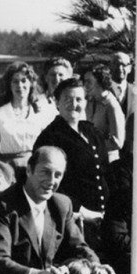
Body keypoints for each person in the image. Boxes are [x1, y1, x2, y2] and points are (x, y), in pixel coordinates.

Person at [0, 146, 107, 274]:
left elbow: (79, 247)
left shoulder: (62, 205)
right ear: (29, 170)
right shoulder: (1, 207)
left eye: (58, 175)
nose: (51, 181)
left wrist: (97, 266)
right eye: (46, 172)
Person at [33, 78, 111, 250]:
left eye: (78, 99)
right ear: (57, 103)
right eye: (67, 99)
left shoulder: (91, 131)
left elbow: (105, 171)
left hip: (104, 217)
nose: (73, 104)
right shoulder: (50, 137)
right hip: (74, 219)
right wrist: (82, 211)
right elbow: (49, 185)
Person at [0, 62, 56, 171]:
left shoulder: (41, 112)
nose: (20, 85)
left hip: (34, 169)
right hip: (6, 170)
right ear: (9, 85)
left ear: (31, 83)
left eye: (24, 81)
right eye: (15, 81)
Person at [84, 64, 125, 162]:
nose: (85, 85)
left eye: (89, 82)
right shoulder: (89, 102)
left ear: (100, 82)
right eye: (84, 81)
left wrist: (90, 145)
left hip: (108, 162)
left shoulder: (111, 105)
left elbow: (117, 142)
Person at [109, 52, 134, 118]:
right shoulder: (103, 90)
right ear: (111, 66)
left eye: (124, 65)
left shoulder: (135, 92)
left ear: (130, 68)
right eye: (117, 64)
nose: (120, 68)